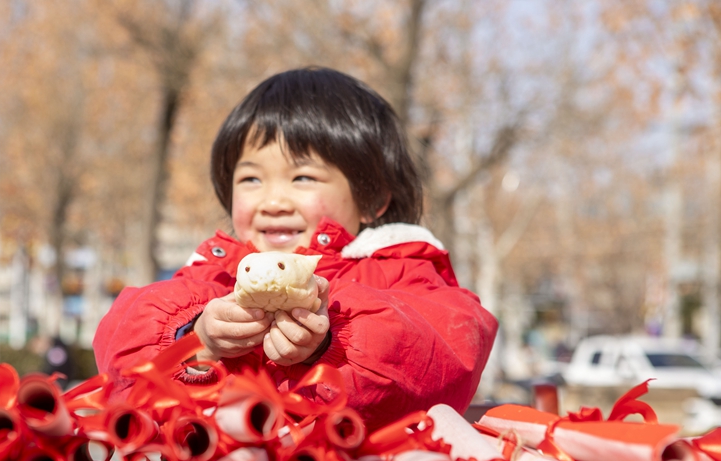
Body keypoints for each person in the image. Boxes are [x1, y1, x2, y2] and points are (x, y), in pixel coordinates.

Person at [93, 67, 498, 431]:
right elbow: (121, 358)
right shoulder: (210, 277)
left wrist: (331, 343)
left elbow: (445, 358)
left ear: (373, 198)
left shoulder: (399, 266)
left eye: (302, 177)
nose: (273, 201)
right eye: (251, 180)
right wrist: (197, 339)